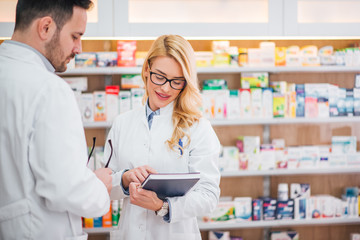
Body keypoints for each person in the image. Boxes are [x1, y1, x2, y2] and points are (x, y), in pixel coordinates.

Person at [0, 1, 112, 239]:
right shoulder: (49, 89)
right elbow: (65, 188)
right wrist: (99, 187)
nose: (78, 48)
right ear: (46, 28)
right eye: (75, 36)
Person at [104, 35, 221, 239]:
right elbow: (103, 189)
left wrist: (163, 206)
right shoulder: (122, 123)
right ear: (147, 70)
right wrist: (124, 179)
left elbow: (209, 196)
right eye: (160, 76)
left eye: (176, 81)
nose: (166, 88)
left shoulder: (198, 128)